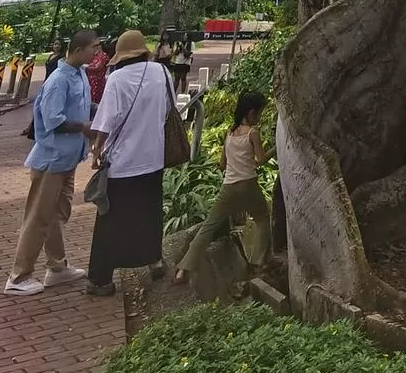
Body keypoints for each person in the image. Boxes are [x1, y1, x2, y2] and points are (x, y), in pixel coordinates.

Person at [4, 28, 99, 296]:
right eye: (94, 47)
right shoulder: (58, 80)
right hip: (52, 160)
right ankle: (18, 276)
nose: (97, 52)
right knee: (38, 217)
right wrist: (85, 127)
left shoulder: (79, 73)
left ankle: (57, 267)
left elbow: (83, 106)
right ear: (78, 49)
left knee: (58, 214)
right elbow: (53, 120)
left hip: (68, 160)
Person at [85, 29, 173, 298]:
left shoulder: (117, 79)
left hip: (123, 163)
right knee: (149, 212)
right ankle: (155, 262)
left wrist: (97, 149)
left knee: (110, 220)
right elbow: (168, 111)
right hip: (153, 158)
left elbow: (105, 122)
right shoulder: (162, 73)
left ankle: (100, 280)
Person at [174, 91, 270, 286]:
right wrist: (272, 151)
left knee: (209, 226)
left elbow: (222, 165)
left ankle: (183, 269)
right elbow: (260, 160)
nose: (259, 117)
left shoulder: (229, 134)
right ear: (251, 112)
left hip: (229, 186)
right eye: (259, 113)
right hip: (248, 185)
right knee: (262, 219)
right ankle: (258, 263)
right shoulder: (253, 133)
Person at [85, 37, 112, 107]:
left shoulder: (103, 56)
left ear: (99, 46)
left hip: (98, 82)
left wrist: (85, 67)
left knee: (96, 101)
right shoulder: (95, 56)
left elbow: (97, 67)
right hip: (90, 82)